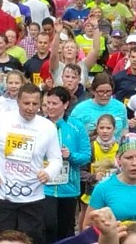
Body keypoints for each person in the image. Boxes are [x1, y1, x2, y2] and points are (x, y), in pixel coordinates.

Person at [0, 84, 63, 244]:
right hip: (2, 194)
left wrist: (48, 172)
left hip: (32, 196)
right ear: (18, 101)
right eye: (26, 103)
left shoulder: (47, 127)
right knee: (3, 240)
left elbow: (56, 159)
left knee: (32, 240)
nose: (30, 108)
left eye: (35, 104)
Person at [42, 86, 92, 243]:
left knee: (66, 231)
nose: (50, 107)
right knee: (47, 225)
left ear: (65, 104)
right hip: (44, 187)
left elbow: (86, 156)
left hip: (68, 187)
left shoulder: (76, 127)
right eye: (47, 103)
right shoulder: (39, 125)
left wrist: (70, 155)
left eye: (54, 103)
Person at [84, 134, 136, 227]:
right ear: (118, 159)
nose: (134, 163)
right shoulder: (103, 188)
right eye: (128, 158)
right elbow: (87, 227)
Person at [71, 73, 128, 140]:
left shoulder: (120, 107)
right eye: (101, 91)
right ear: (93, 91)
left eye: (108, 91)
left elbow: (125, 130)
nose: (105, 95)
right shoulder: (79, 110)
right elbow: (72, 135)